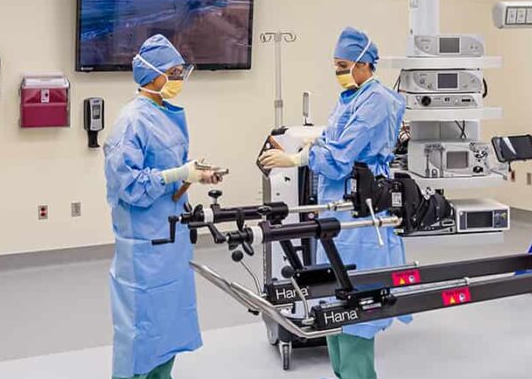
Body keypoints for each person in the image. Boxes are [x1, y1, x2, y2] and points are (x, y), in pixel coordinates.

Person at [258, 26, 407, 379]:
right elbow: (328, 142)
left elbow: (339, 158)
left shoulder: (378, 103)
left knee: (354, 312)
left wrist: (297, 160)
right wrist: (304, 152)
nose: (338, 71)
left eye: (343, 65)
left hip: (360, 216)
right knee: (334, 307)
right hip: (336, 214)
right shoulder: (349, 100)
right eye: (335, 65)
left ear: (364, 64)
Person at [104, 34, 224, 379]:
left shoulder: (166, 114)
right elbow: (127, 185)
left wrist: (194, 176)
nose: (178, 79)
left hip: (171, 239)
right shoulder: (132, 122)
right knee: (141, 330)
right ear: (152, 76)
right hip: (144, 246)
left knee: (167, 325)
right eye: (172, 72)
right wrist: (177, 172)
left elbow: (170, 181)